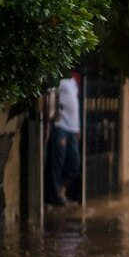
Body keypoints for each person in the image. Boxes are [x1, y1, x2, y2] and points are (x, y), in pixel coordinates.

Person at [45, 71, 81, 206]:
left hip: (72, 129)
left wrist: (77, 127)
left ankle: (61, 191)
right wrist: (49, 124)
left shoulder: (72, 83)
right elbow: (50, 97)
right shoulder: (59, 81)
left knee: (74, 163)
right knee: (57, 163)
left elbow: (75, 107)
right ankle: (56, 196)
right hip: (60, 126)